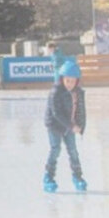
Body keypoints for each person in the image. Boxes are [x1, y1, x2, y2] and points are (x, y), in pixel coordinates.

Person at [43, 61, 87, 192]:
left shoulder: (78, 92)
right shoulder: (55, 92)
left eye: (73, 81)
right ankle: (48, 177)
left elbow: (80, 110)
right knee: (55, 150)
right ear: (62, 79)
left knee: (73, 151)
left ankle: (78, 177)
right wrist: (71, 126)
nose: (70, 84)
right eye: (67, 81)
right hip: (55, 125)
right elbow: (56, 113)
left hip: (69, 126)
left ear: (77, 81)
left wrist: (80, 125)